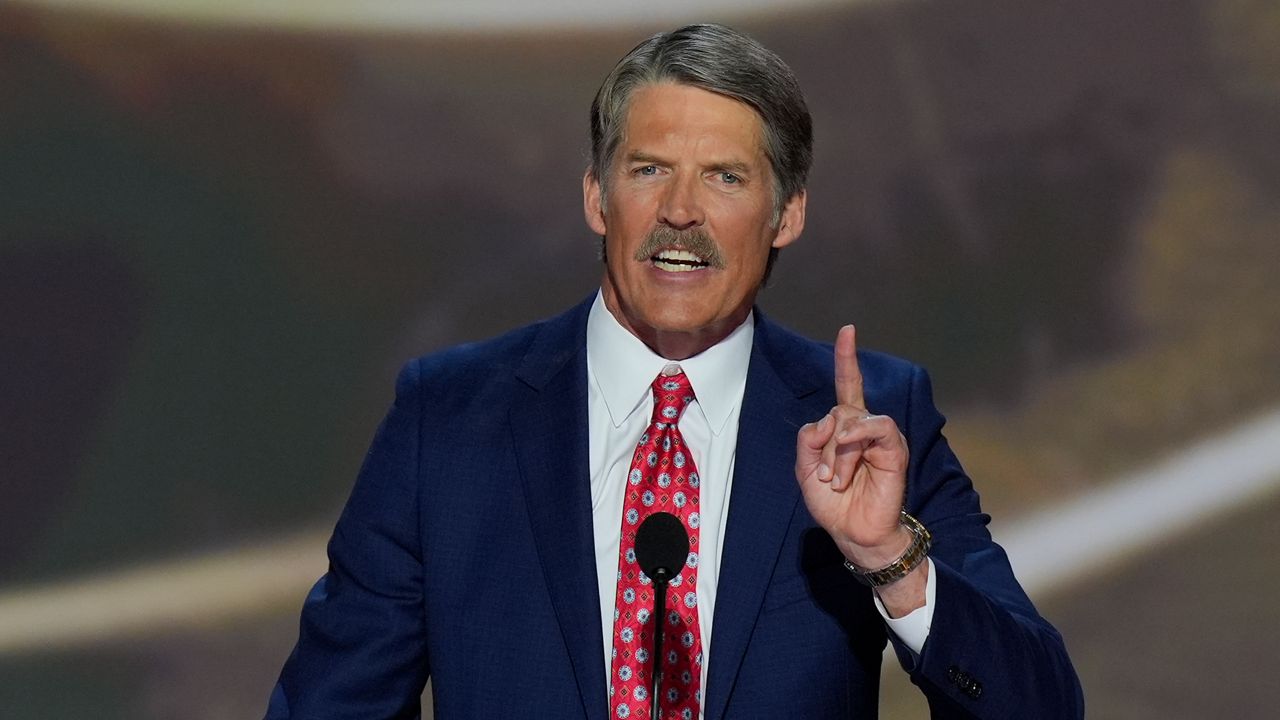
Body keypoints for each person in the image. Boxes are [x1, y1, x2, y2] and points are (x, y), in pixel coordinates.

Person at [266, 23, 1083, 719]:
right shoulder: (446, 417)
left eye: (726, 177)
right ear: (597, 196)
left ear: (786, 214)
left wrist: (892, 562)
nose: (681, 210)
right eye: (650, 169)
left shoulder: (876, 420)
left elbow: (1041, 706)